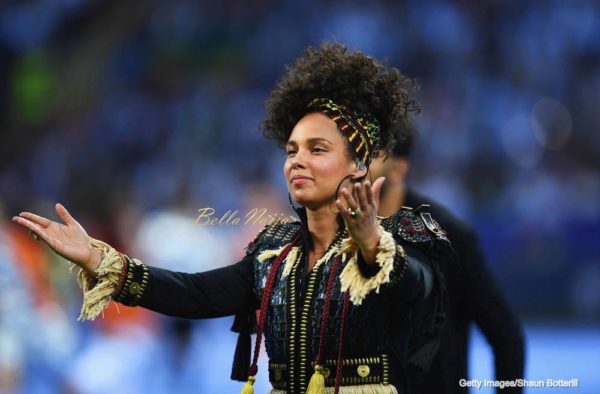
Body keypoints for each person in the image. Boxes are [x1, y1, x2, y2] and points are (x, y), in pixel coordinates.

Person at [12, 43, 453, 394]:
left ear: (357, 166)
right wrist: (99, 259)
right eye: (291, 150)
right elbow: (195, 294)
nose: (297, 161)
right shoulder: (274, 254)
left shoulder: (403, 234)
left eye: (317, 150)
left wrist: (371, 242)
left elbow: (423, 288)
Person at [369, 132, 525, 394]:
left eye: (369, 154)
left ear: (398, 168)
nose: (355, 165)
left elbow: (506, 337)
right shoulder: (335, 236)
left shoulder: (448, 239)